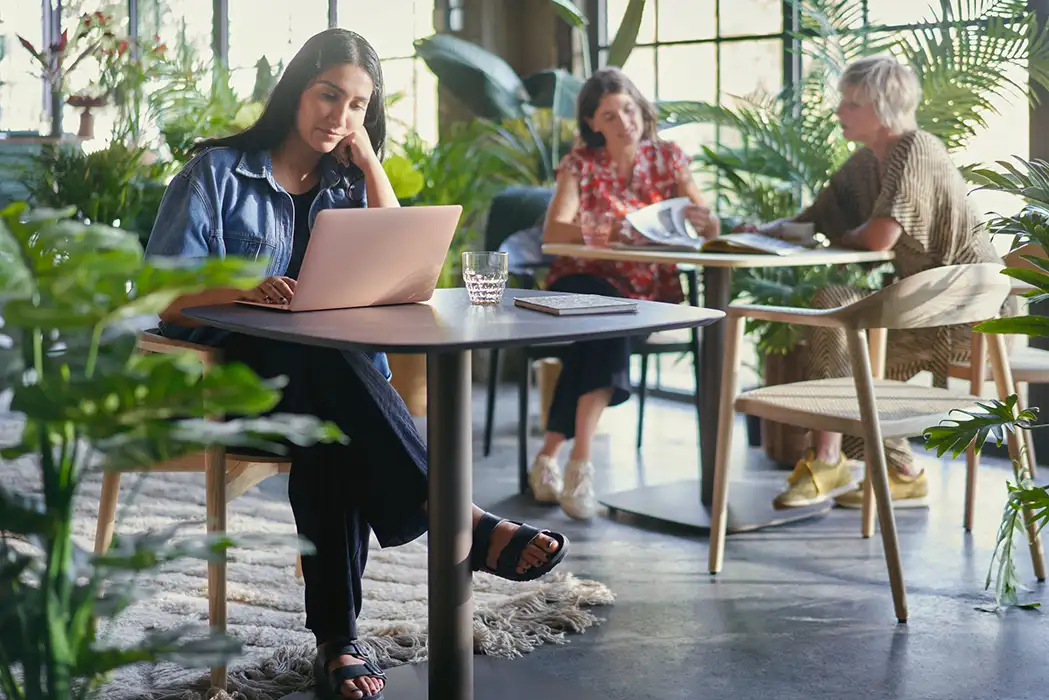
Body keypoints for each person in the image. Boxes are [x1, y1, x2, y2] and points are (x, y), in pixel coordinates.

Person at [145, 28, 567, 700]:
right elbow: (160, 293)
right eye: (327, 94)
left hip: (322, 391)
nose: (338, 116)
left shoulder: (346, 180)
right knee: (329, 375)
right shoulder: (215, 174)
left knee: (332, 411)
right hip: (224, 386)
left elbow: (403, 269)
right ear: (295, 90)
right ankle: (459, 522)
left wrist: (369, 164)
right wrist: (240, 288)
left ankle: (338, 643)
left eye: (356, 105)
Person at [747, 55, 1011, 511]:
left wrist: (845, 237)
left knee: (840, 318)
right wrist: (749, 230)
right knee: (837, 310)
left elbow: (878, 235)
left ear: (881, 107)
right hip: (925, 305)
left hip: (969, 311)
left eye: (850, 103)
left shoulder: (916, 147)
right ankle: (897, 472)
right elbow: (812, 220)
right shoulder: (866, 164)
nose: (838, 112)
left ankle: (831, 458)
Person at [532, 67, 720, 520]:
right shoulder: (579, 163)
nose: (624, 122)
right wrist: (609, 227)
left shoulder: (669, 158)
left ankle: (548, 458)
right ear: (593, 123)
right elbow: (555, 229)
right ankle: (581, 466)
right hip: (581, 278)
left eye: (630, 110)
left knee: (602, 333)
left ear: (642, 109)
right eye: (610, 116)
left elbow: (706, 221)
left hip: (648, 289)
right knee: (610, 319)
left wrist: (705, 222)